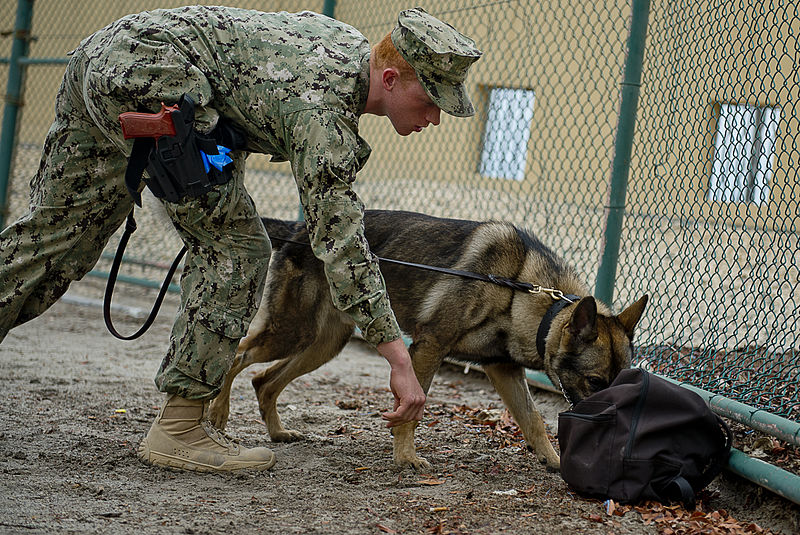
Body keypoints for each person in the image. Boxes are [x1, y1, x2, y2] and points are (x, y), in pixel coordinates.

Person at [0, 6, 481, 472]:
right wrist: (399, 358)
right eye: (432, 101)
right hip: (157, 82)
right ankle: (180, 428)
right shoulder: (324, 113)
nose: (435, 119)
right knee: (237, 249)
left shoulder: (345, 48)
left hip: (108, 54)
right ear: (392, 80)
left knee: (54, 236)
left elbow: (245, 85)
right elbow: (341, 242)